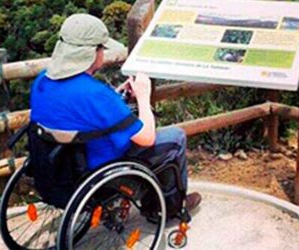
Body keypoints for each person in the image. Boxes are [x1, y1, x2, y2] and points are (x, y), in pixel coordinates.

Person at [29, 13, 201, 216]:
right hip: (101, 171)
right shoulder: (96, 94)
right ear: (92, 53)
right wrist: (143, 97)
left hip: (59, 169)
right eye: (101, 48)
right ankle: (168, 208)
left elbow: (83, 114)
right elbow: (146, 138)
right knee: (176, 138)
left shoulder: (42, 81)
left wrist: (118, 97)